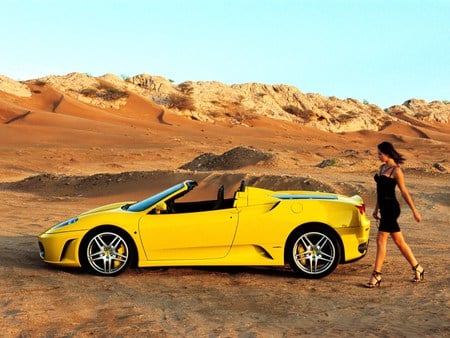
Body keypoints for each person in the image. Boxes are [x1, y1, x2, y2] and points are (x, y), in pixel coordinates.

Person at [365, 141, 424, 288]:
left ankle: (376, 275)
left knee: (381, 239)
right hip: (384, 208)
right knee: (399, 242)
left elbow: (404, 192)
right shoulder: (381, 168)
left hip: (392, 208)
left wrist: (414, 210)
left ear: (388, 153)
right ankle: (418, 268)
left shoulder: (396, 171)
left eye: (380, 153)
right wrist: (376, 208)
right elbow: (380, 191)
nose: (378, 156)